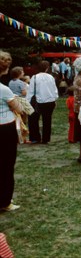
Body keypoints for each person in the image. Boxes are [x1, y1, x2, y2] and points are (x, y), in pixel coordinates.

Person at [1, 50, 23, 212]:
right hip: (5, 128)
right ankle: (5, 201)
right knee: (7, 165)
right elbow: (19, 109)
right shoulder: (4, 90)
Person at [26, 60, 59, 144]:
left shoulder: (35, 77)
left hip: (37, 101)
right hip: (49, 101)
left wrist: (28, 101)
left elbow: (31, 90)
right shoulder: (50, 77)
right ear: (47, 68)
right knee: (47, 120)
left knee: (33, 120)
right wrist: (55, 99)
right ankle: (46, 139)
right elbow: (54, 89)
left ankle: (35, 137)